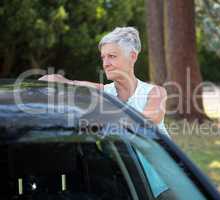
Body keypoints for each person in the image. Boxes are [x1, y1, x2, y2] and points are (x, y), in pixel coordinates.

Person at [39, 27, 169, 136]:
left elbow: (146, 121)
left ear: (132, 57)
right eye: (103, 58)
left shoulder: (155, 92)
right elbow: (68, 82)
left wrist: (102, 118)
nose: (106, 64)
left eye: (112, 56)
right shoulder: (104, 92)